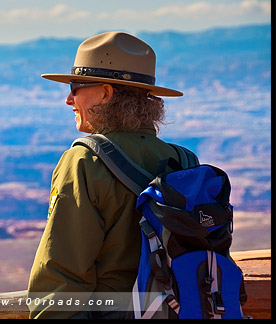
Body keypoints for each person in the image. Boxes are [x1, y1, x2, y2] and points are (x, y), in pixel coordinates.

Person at [27, 31, 187, 319]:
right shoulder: (184, 161)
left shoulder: (85, 161)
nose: (67, 99)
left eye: (75, 86)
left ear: (105, 93)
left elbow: (61, 277)